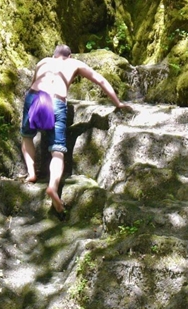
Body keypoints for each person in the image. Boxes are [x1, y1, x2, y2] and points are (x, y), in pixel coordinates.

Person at [20, 44, 130, 215]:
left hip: (35, 96)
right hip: (56, 101)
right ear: (69, 56)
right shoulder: (75, 64)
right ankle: (53, 187)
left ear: (54, 55)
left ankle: (32, 173)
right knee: (57, 150)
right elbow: (100, 80)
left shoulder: (43, 61)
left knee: (27, 136)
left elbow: (35, 81)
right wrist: (118, 103)